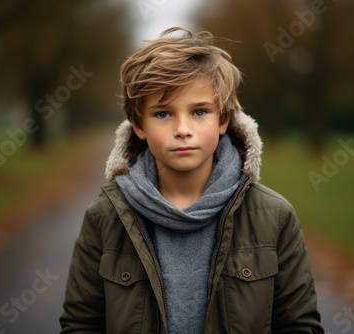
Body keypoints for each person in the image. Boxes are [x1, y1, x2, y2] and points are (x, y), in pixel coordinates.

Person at [60, 27, 323, 334]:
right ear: (138, 125)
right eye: (162, 114)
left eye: (199, 111)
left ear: (223, 119)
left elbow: (299, 325)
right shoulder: (104, 217)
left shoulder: (274, 217)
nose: (183, 129)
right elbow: (81, 324)